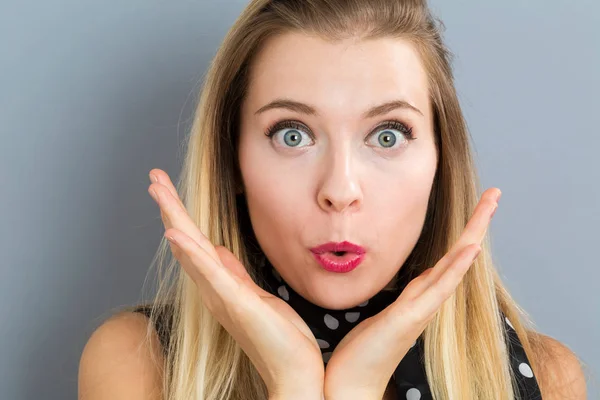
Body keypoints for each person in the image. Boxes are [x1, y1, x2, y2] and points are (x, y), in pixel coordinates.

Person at [78, 0, 588, 399]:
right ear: (233, 161)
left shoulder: (547, 380)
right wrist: (294, 387)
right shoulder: (138, 365)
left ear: (441, 161)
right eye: (293, 135)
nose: (340, 191)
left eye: (387, 135)